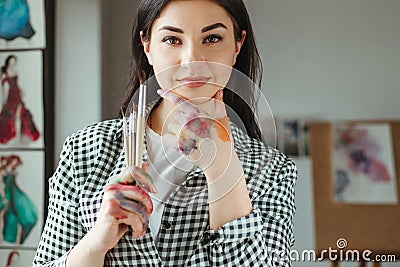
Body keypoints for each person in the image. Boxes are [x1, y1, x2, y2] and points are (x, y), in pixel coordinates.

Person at [33, 0, 297, 266]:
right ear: (147, 46)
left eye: (213, 38)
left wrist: (222, 169)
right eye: (172, 39)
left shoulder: (274, 171)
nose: (192, 59)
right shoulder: (85, 149)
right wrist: (96, 244)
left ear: (237, 45)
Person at [0, 55, 40, 144]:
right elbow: (3, 88)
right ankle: (16, 136)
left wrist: (21, 90)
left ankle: (19, 137)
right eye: (11, 61)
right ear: (8, 61)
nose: (13, 63)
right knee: (12, 116)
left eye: (14, 62)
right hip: (10, 96)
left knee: (19, 115)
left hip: (17, 94)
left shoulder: (15, 71)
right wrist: (3, 100)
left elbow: (16, 84)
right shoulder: (5, 73)